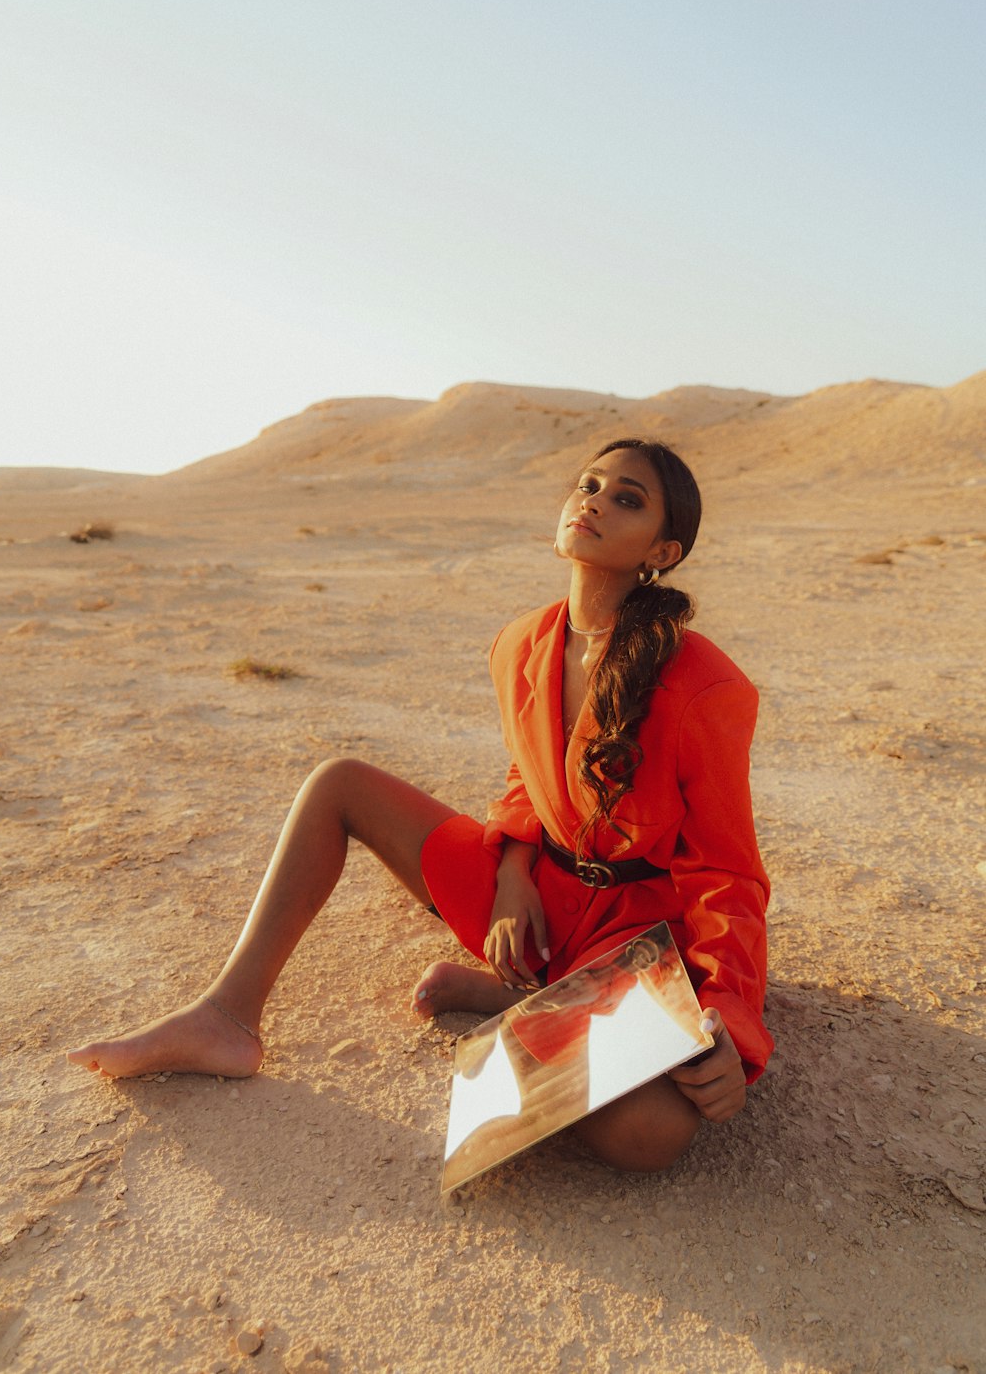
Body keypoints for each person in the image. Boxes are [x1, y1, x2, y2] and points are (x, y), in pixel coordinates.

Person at [68, 438, 771, 1173]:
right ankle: (225, 1016)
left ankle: (514, 999)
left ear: (662, 548)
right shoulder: (519, 643)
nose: (592, 499)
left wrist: (733, 1026)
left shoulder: (704, 685)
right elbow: (530, 771)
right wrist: (512, 872)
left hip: (632, 929)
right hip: (536, 900)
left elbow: (729, 873)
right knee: (339, 781)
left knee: (651, 1132)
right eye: (588, 483)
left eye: (627, 497)